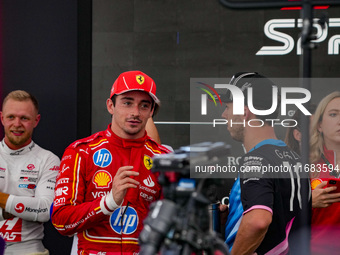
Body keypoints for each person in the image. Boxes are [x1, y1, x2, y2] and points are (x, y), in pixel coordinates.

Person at [51, 70, 171, 254]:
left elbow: (172, 227)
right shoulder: (81, 151)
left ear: (151, 111)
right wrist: (108, 202)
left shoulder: (162, 159)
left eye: (144, 105)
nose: (135, 112)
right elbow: (61, 221)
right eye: (127, 103)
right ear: (110, 105)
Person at [221, 72, 310, 254]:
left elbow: (258, 221)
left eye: (228, 107)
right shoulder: (295, 159)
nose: (224, 115)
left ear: (244, 112)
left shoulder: (256, 160)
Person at [0, 90, 60, 255]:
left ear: (36, 120)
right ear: (2, 118)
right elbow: (36, 206)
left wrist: (2, 199)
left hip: (29, 250)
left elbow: (45, 210)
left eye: (24, 118)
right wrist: (21, 205)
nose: (17, 123)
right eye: (11, 117)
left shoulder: (49, 160)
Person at [308, 91, 340, 254]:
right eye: (334, 114)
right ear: (319, 125)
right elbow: (279, 212)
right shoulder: (305, 165)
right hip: (316, 249)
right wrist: (308, 202)